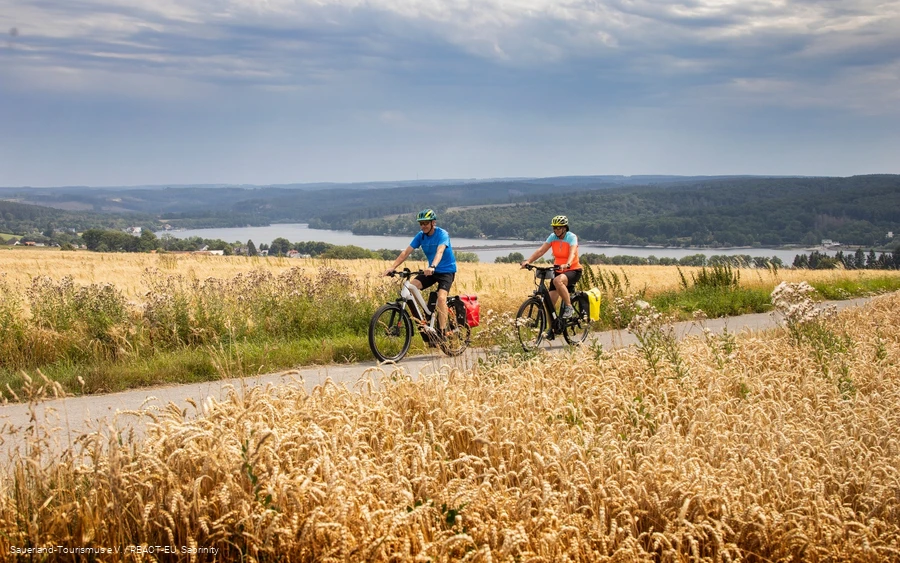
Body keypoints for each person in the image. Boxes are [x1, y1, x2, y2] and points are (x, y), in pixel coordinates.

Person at [384, 209, 458, 334]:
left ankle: (442, 332)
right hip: (432, 272)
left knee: (441, 299)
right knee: (411, 287)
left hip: (446, 271)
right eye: (421, 224)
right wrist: (393, 267)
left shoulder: (442, 234)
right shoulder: (421, 236)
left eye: (426, 223)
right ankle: (427, 314)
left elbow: (440, 251)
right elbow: (406, 252)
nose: (423, 226)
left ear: (433, 223)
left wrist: (433, 266)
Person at [520, 215, 582, 318]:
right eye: (554, 227)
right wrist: (528, 261)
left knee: (557, 281)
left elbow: (573, 252)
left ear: (565, 228)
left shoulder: (571, 237)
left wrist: (568, 264)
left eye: (558, 227)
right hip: (558, 270)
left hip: (573, 270)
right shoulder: (552, 237)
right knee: (549, 306)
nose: (556, 230)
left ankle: (569, 306)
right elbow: (541, 251)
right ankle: (551, 331)